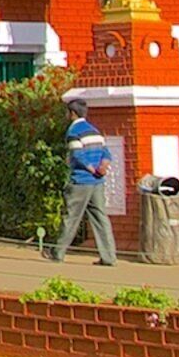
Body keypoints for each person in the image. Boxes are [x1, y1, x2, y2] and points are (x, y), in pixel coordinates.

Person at [49, 113, 120, 267]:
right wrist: (102, 167)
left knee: (71, 217)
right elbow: (106, 153)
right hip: (97, 183)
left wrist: (91, 169)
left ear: (72, 113)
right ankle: (109, 257)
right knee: (101, 218)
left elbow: (77, 155)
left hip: (80, 181)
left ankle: (58, 253)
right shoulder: (94, 131)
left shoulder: (74, 132)